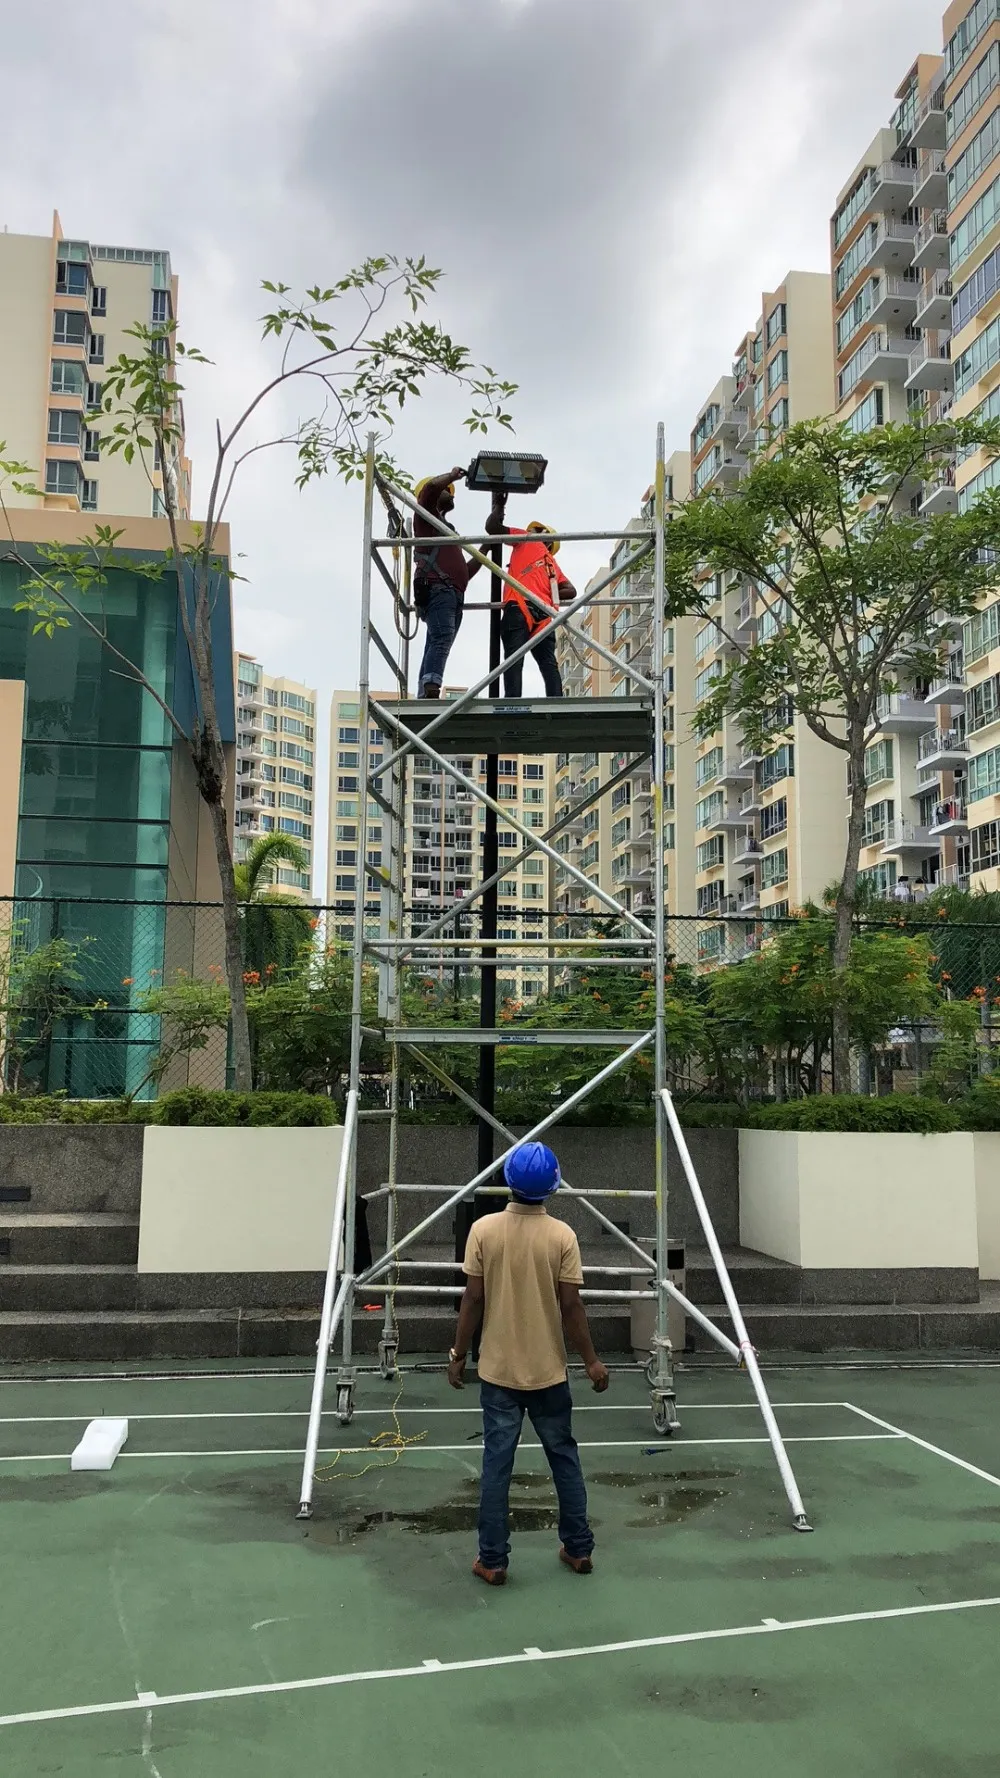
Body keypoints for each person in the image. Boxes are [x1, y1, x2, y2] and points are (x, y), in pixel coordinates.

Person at [448, 1140, 609, 1586]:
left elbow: (473, 1298)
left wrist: (459, 1354)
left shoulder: (484, 1231)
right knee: (564, 1458)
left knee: (497, 1465)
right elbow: (572, 1307)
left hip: (498, 1372)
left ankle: (493, 1560)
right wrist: (592, 1361)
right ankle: (578, 1549)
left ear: (508, 1183)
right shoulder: (562, 1236)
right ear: (552, 1187)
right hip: (549, 1372)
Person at [486, 491, 577, 698]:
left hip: (519, 606)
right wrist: (547, 592)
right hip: (545, 614)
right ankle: (556, 702)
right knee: (548, 663)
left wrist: (499, 506)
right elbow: (571, 590)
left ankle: (512, 703)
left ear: (541, 534)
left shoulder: (526, 539)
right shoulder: (552, 564)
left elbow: (492, 529)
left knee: (514, 659)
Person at [413, 467, 482, 699]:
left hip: (450, 591)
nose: (452, 494)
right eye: (448, 490)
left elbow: (463, 572)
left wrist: (487, 548)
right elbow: (431, 489)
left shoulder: (446, 531)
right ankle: (431, 688)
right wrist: (453, 475)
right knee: (441, 637)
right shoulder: (426, 517)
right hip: (439, 588)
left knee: (436, 639)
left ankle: (426, 689)